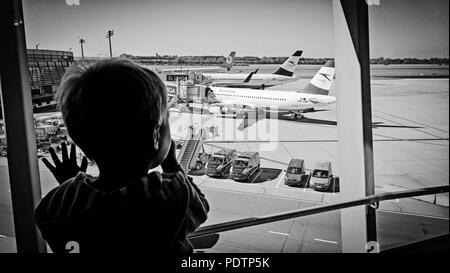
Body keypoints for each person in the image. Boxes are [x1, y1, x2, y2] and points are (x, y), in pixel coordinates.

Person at [34, 58, 209, 254]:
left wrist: (70, 185)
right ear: (154, 135)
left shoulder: (59, 202)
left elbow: (53, 222)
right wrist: (172, 165)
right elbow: (200, 210)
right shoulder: (168, 193)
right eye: (166, 122)